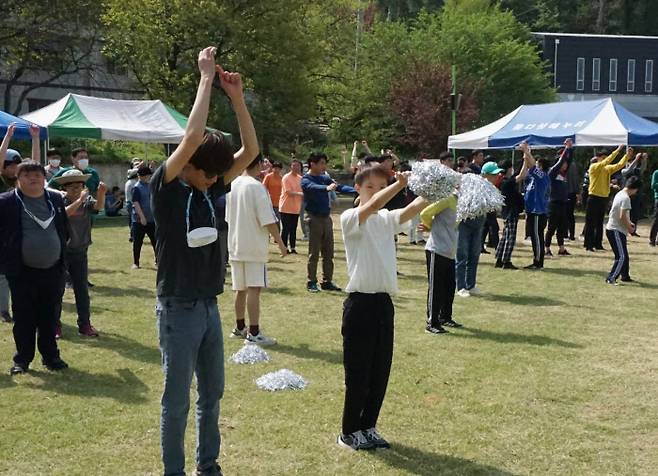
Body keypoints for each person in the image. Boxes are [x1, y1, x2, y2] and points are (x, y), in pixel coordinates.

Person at [151, 47, 258, 476]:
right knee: (176, 402)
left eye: (218, 174)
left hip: (209, 307)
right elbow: (193, 138)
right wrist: (205, 78)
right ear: (188, 165)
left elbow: (250, 150)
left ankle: (207, 467)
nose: (217, 179)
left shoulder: (207, 189)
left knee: (211, 395)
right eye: (208, 172)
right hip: (177, 308)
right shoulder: (167, 187)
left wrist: (236, 99)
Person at [338, 165, 426, 450]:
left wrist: (441, 188)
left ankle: (369, 426)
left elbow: (413, 209)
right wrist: (398, 184)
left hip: (383, 304)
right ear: (358, 190)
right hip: (359, 305)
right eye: (370, 186)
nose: (376, 192)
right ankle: (349, 432)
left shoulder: (386, 220)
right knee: (358, 374)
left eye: (381, 186)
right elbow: (376, 204)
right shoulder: (351, 217)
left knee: (380, 372)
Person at [0, 161, 70, 375]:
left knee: (50, 317)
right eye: (27, 175)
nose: (33, 178)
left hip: (53, 270)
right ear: (17, 179)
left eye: (37, 175)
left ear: (44, 178)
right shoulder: (7, 202)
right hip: (22, 272)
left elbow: (64, 229)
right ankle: (22, 360)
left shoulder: (55, 199)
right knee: (24, 318)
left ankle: (51, 357)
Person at [226, 155, 287, 346]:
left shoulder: (232, 184)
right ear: (259, 164)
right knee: (253, 288)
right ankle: (253, 332)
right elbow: (268, 219)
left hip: (236, 244)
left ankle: (239, 327)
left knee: (240, 288)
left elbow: (228, 217)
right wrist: (281, 243)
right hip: (252, 246)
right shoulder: (256, 186)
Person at [54, 169, 107, 338]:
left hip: (80, 251)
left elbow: (98, 206)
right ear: (65, 188)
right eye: (72, 188)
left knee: (81, 290)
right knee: (57, 290)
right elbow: (64, 213)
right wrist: (80, 199)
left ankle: (85, 324)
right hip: (61, 252)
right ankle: (55, 326)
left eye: (79, 187)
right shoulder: (59, 201)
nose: (76, 190)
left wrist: (101, 193)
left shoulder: (86, 201)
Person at [1, 123, 40, 324]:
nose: (16, 168)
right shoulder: (1, 183)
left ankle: (23, 308)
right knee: (3, 275)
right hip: (4, 234)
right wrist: (7, 137)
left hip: (21, 233)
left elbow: (35, 165)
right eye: (12, 165)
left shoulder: (21, 183)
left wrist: (35, 138)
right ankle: (3, 310)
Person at [302, 152, 355, 293]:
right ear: (312, 164)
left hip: (326, 218)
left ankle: (327, 281)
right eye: (321, 163)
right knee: (314, 253)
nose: (324, 166)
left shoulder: (324, 178)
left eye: (324, 163)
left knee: (328, 252)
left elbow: (339, 187)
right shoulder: (306, 179)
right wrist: (325, 188)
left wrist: (356, 190)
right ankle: (311, 282)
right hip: (313, 218)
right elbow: (311, 187)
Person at [455, 161, 502, 297]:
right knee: (462, 255)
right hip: (464, 223)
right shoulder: (471, 184)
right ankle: (461, 286)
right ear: (485, 174)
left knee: (474, 255)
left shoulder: (490, 188)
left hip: (479, 223)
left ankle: (471, 285)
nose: (496, 177)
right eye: (493, 174)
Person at [420, 189, 459, 335]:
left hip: (450, 251)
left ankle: (445, 317)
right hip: (436, 249)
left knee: (449, 286)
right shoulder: (448, 199)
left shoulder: (463, 204)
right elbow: (425, 213)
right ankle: (432, 322)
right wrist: (429, 226)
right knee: (436, 287)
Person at [583, 145, 631, 251]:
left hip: (603, 198)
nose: (605, 159)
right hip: (593, 197)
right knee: (591, 223)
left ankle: (598, 244)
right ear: (598, 158)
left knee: (600, 223)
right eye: (603, 157)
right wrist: (618, 150)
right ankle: (588, 245)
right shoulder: (594, 167)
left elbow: (619, 165)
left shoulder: (606, 169)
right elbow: (606, 162)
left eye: (606, 157)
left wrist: (627, 156)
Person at [520, 142, 552, 270]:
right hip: (532, 211)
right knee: (534, 236)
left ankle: (538, 262)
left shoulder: (543, 177)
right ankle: (536, 259)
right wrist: (526, 156)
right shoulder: (533, 178)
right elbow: (527, 168)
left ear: (541, 166)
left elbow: (532, 166)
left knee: (537, 237)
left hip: (538, 212)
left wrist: (527, 152)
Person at [605, 176, 641, 284]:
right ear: (635, 188)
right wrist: (630, 229)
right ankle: (611, 278)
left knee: (623, 254)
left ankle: (625, 276)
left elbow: (618, 213)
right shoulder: (626, 198)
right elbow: (622, 216)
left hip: (614, 229)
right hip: (615, 230)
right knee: (621, 256)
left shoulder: (620, 193)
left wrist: (629, 223)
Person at [495, 158, 527, 269]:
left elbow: (518, 173)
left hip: (506, 212)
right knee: (510, 237)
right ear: (508, 169)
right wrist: (527, 157)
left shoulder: (502, 180)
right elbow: (521, 175)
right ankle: (506, 261)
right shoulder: (507, 182)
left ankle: (499, 259)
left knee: (505, 236)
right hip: (511, 212)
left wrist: (524, 159)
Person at [545, 140, 573, 257]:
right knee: (551, 227)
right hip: (553, 204)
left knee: (562, 227)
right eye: (563, 163)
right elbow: (562, 160)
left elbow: (569, 161)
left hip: (562, 203)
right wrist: (566, 148)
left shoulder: (563, 174)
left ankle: (561, 249)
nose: (565, 165)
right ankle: (546, 248)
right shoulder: (552, 172)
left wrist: (570, 149)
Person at [131, 165, 156, 269]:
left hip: (152, 219)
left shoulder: (150, 186)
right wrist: (142, 217)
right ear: (140, 176)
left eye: (148, 176)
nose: (148, 177)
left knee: (155, 241)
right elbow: (136, 203)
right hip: (139, 220)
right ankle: (136, 263)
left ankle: (158, 260)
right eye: (146, 176)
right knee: (138, 242)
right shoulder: (136, 188)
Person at [279, 159, 303, 254]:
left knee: (293, 228)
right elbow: (288, 192)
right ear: (290, 167)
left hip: (295, 208)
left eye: (297, 166)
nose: (296, 167)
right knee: (286, 229)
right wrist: (301, 194)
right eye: (294, 165)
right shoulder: (286, 178)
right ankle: (284, 247)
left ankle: (292, 247)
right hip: (285, 208)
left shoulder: (300, 179)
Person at [620, 152, 648, 235]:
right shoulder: (624, 170)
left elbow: (643, 168)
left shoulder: (637, 171)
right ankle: (624, 228)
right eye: (630, 162)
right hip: (627, 195)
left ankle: (633, 230)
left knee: (635, 213)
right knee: (626, 212)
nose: (632, 164)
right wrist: (636, 159)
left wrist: (644, 160)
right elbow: (629, 170)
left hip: (636, 194)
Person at [565, 151, 581, 241]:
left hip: (566, 192)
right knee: (570, 215)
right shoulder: (573, 165)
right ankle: (571, 234)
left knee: (566, 214)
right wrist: (577, 192)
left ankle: (566, 234)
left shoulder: (563, 165)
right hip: (572, 192)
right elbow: (576, 180)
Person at [262, 161, 283, 226]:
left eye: (278, 168)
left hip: (279, 203)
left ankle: (276, 235)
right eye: (274, 168)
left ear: (280, 169)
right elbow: (263, 187)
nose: (276, 170)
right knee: (269, 221)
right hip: (269, 202)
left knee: (277, 221)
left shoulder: (282, 178)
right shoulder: (268, 177)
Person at [125, 168, 139, 241]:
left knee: (131, 220)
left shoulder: (128, 182)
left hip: (128, 202)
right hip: (132, 203)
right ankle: (133, 236)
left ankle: (132, 235)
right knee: (134, 220)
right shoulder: (134, 183)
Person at [650, 165, 658, 247]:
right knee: (656, 220)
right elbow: (653, 185)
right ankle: (652, 240)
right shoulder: (656, 172)